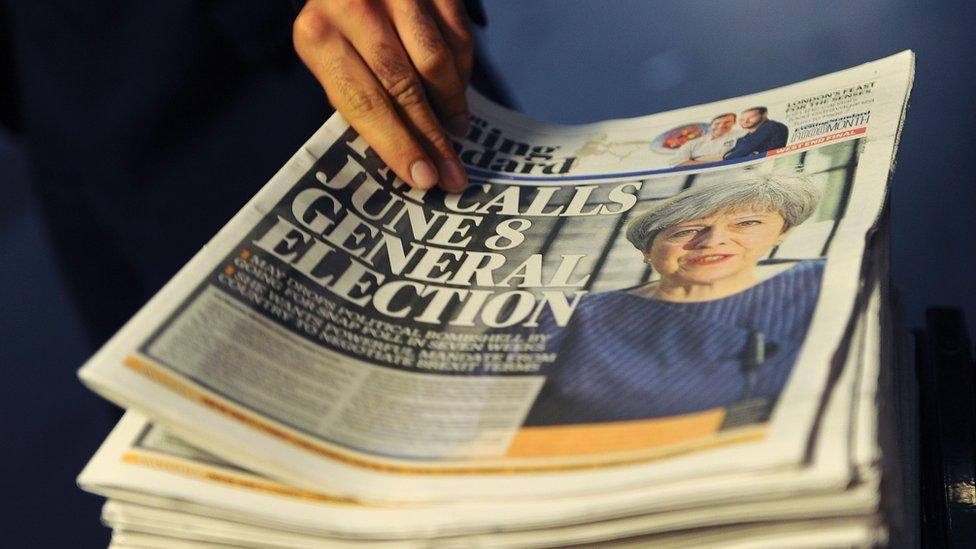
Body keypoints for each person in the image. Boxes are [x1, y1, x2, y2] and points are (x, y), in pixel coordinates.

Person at [523, 175, 824, 426]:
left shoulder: (818, 280)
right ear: (647, 252)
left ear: (782, 232)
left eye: (746, 223)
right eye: (686, 231)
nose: (712, 241)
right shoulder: (564, 317)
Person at [669, 112, 741, 167]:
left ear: (734, 123)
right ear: (710, 126)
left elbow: (738, 155)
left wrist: (695, 160)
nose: (721, 126)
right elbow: (678, 163)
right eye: (717, 123)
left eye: (727, 122)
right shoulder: (692, 143)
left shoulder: (741, 135)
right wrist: (717, 161)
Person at [723, 106, 789, 159]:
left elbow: (741, 152)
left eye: (751, 117)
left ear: (764, 115)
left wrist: (729, 156)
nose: (745, 121)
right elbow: (729, 154)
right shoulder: (748, 135)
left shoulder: (771, 126)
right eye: (742, 119)